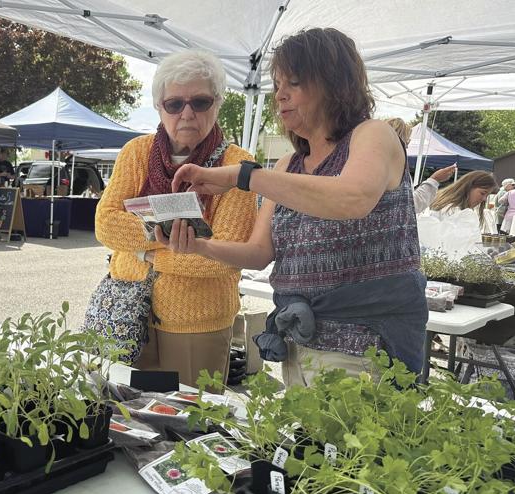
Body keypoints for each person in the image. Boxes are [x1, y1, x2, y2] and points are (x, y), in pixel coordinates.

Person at [167, 28, 429, 386]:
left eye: (294, 82)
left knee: (354, 441)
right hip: (299, 342)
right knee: (309, 442)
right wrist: (197, 246)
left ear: (335, 84)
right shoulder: (288, 164)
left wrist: (243, 176)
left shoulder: (373, 135)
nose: (281, 96)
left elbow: (352, 197)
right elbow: (259, 253)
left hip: (367, 344)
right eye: (277, 85)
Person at [95, 49, 258, 387]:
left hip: (197, 321)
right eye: (174, 104)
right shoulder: (136, 153)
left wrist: (145, 252)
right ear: (160, 106)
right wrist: (178, 242)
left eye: (199, 102)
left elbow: (223, 258)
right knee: (130, 413)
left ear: (217, 103)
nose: (186, 113)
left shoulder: (236, 165)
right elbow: (105, 224)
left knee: (189, 421)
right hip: (127, 310)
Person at [385, 117, 457, 213]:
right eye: (406, 143)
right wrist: (434, 180)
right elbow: (410, 205)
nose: (407, 147)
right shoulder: (392, 169)